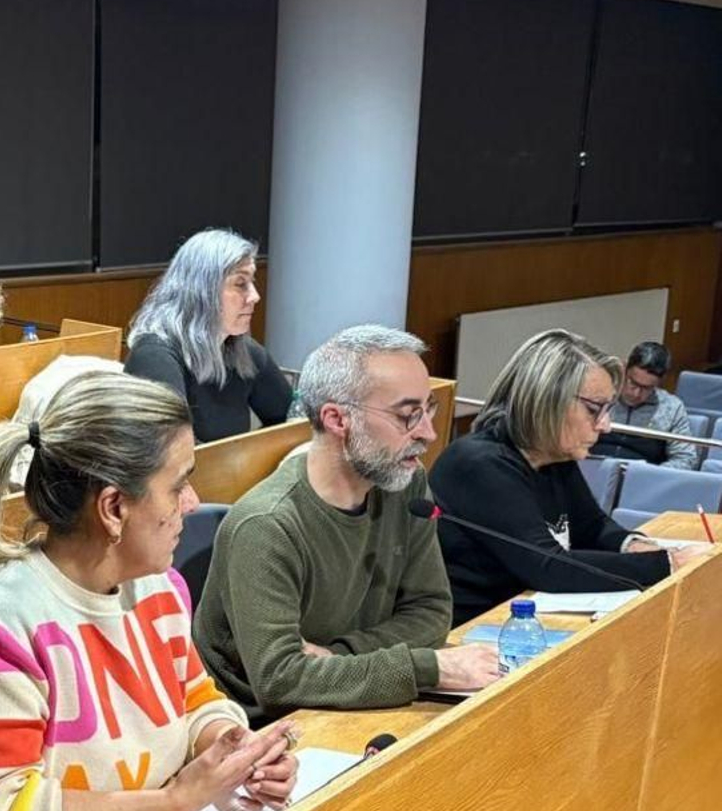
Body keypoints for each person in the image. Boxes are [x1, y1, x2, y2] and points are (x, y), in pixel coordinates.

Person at [0, 372, 297, 811]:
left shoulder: (158, 586)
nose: (192, 503)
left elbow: (194, 702)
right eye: (178, 485)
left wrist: (235, 751)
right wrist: (176, 800)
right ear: (113, 508)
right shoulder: (0, 624)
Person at [193, 325, 502, 724]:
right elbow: (280, 681)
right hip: (266, 728)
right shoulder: (266, 525)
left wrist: (337, 658)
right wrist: (430, 667)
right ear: (337, 419)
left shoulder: (404, 484)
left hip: (356, 700)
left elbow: (431, 611)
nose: (427, 433)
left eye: (429, 410)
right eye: (408, 415)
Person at [430, 329, 698, 623]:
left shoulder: (554, 454)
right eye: (594, 410)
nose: (605, 425)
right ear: (548, 401)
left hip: (524, 616)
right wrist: (665, 563)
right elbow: (547, 566)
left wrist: (636, 545)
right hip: (468, 630)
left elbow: (593, 527)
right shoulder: (479, 464)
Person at [124, 228, 293, 443]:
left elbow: (290, 420)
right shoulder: (153, 356)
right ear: (202, 290)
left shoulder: (244, 351)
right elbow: (171, 453)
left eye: (252, 283)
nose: (255, 296)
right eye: (241, 284)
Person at [591, 341, 700, 469]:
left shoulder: (672, 407)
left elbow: (686, 458)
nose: (636, 394)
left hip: (641, 476)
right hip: (592, 467)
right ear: (625, 369)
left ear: (660, 383)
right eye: (633, 383)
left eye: (646, 388)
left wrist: (652, 475)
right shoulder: (602, 392)